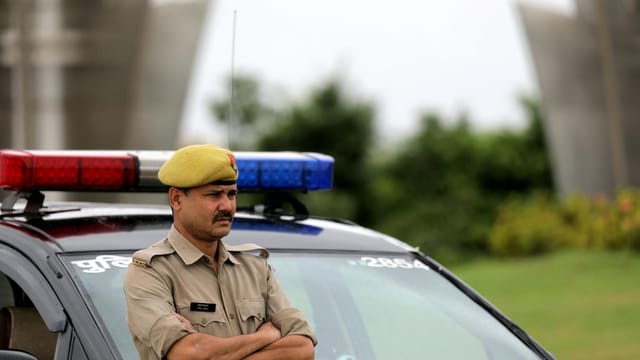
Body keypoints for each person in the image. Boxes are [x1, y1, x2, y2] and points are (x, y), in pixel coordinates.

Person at [123, 144, 317, 360]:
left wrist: (214, 352)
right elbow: (188, 354)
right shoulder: (151, 271)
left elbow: (303, 349)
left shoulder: (255, 268)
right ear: (176, 199)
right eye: (214, 195)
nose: (227, 206)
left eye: (231, 194)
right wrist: (264, 337)